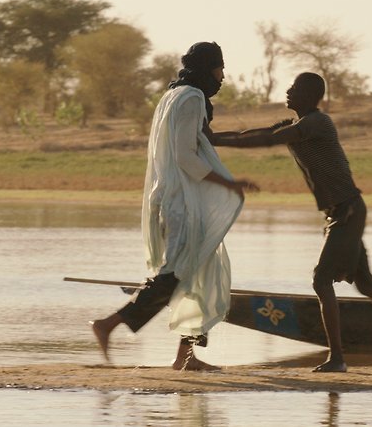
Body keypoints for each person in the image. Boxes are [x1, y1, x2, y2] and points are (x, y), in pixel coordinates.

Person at [210, 72, 372, 372]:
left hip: (347, 211)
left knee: (321, 280)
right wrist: (212, 137)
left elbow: (267, 139)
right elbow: (251, 134)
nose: (288, 91)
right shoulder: (297, 126)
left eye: (294, 88)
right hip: (342, 212)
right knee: (367, 284)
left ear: (308, 95)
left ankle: (337, 358)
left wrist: (212, 139)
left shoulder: (317, 124)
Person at [90, 42, 259, 371]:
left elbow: (194, 141)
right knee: (175, 274)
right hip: (183, 203)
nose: (222, 76)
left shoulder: (173, 95)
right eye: (219, 68)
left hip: (176, 199)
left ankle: (186, 357)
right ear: (208, 68)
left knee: (201, 274)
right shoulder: (192, 97)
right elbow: (184, 155)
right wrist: (229, 183)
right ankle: (108, 324)